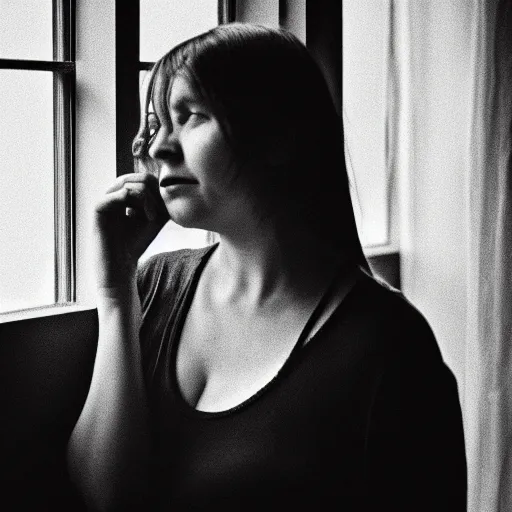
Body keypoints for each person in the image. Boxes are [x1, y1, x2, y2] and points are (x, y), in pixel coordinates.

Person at [67, 23, 467, 511]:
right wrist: (114, 297)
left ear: (280, 136)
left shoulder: (387, 347)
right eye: (156, 123)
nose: (158, 148)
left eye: (190, 116)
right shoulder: (154, 286)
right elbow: (103, 498)